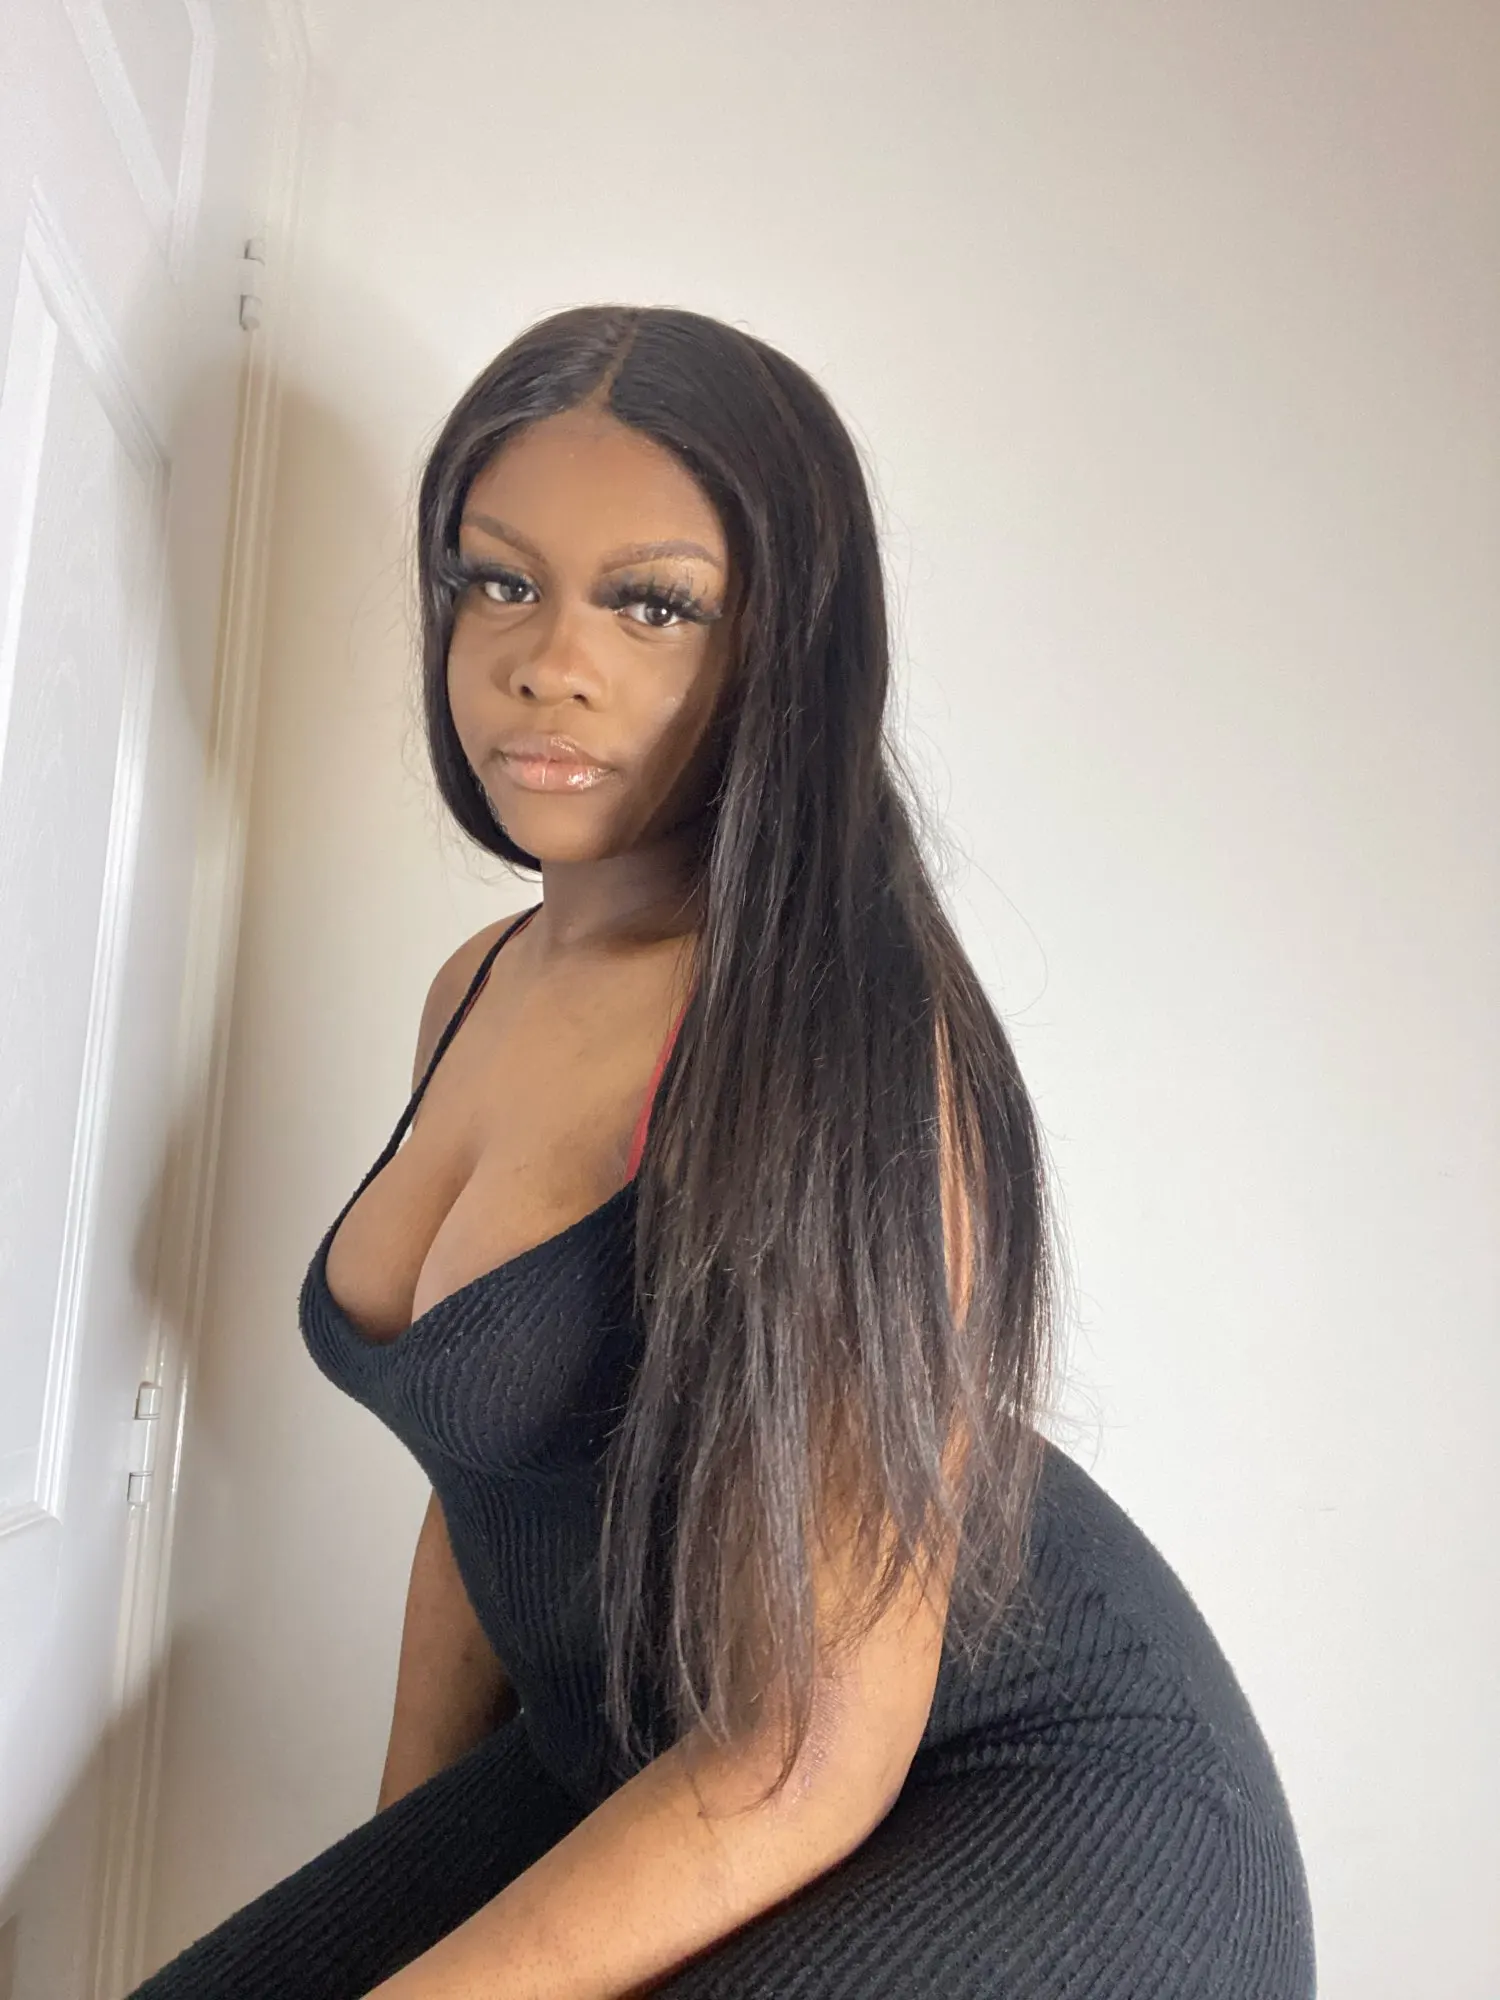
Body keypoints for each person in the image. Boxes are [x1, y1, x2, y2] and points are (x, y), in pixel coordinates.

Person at [132, 305, 1315, 1998]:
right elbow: (483, 1466)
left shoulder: (836, 1035)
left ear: (785, 647)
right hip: (637, 1735)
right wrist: (404, 1874)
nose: (549, 660)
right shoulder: (474, 988)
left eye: (653, 603)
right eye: (498, 580)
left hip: (1024, 1795)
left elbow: (805, 1750)